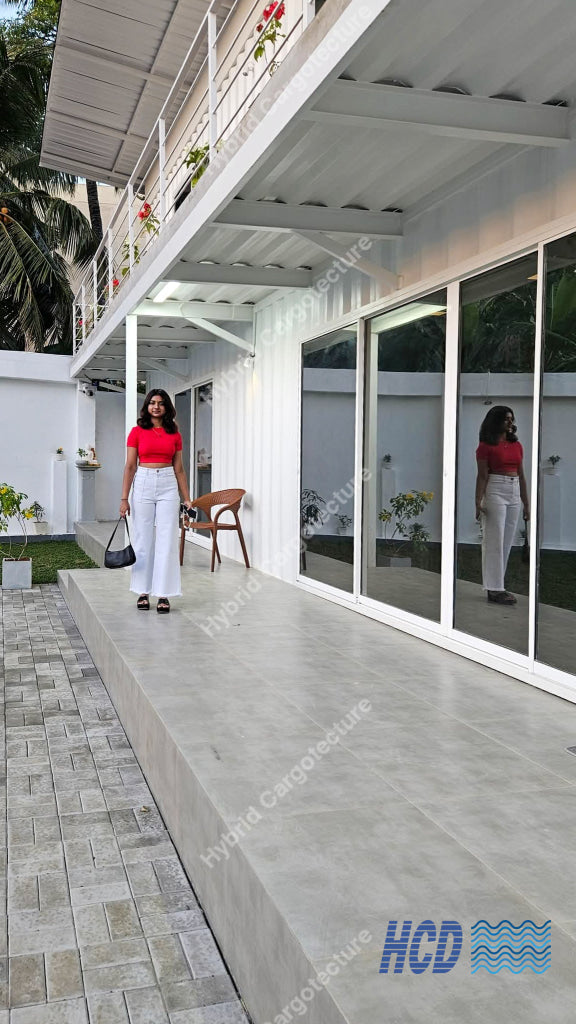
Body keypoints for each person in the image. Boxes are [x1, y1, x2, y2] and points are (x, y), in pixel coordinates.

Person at [120, 389, 194, 614]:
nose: (156, 407)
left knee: (167, 539)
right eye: (152, 403)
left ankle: (164, 593)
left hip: (168, 485)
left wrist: (187, 498)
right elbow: (130, 466)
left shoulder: (175, 434)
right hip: (143, 481)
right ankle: (143, 591)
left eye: (161, 403)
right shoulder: (137, 431)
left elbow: (179, 469)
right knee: (142, 539)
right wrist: (124, 498)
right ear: (147, 406)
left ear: (166, 407)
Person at [475, 406, 530, 605]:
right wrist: (478, 500)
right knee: (494, 539)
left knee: (506, 540)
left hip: (514, 490)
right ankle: (494, 589)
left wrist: (526, 503)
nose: (510, 422)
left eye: (511, 418)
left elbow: (522, 475)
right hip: (495, 489)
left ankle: (498, 586)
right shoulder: (485, 446)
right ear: (496, 421)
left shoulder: (517, 445)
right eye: (506, 418)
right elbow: (482, 475)